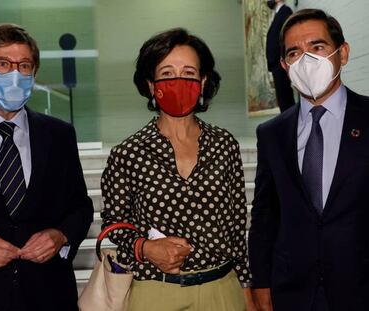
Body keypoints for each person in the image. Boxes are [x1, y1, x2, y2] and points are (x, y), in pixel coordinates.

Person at [101, 28, 254, 311]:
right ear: (151, 84)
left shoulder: (224, 145)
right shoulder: (128, 153)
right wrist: (144, 248)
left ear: (203, 81)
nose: (179, 82)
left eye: (188, 73)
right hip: (156, 292)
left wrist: (246, 288)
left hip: (222, 290)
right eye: (168, 74)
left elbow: (236, 226)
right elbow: (112, 223)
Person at [0, 24, 93, 311]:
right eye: (3, 64)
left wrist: (61, 235)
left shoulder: (59, 135)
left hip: (49, 296)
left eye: (25, 66)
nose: (16, 76)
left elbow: (80, 207)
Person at [248, 8, 369, 311]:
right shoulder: (271, 134)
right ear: (284, 65)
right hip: (292, 293)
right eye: (294, 53)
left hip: (362, 288)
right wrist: (260, 284)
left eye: (317, 47)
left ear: (342, 54)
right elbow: (265, 215)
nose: (306, 60)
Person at [266, 0, 295, 111]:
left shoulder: (285, 11)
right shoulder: (278, 14)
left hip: (281, 63)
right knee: (282, 98)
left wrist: (285, 59)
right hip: (277, 64)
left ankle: (290, 126)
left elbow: (289, 36)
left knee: (285, 98)